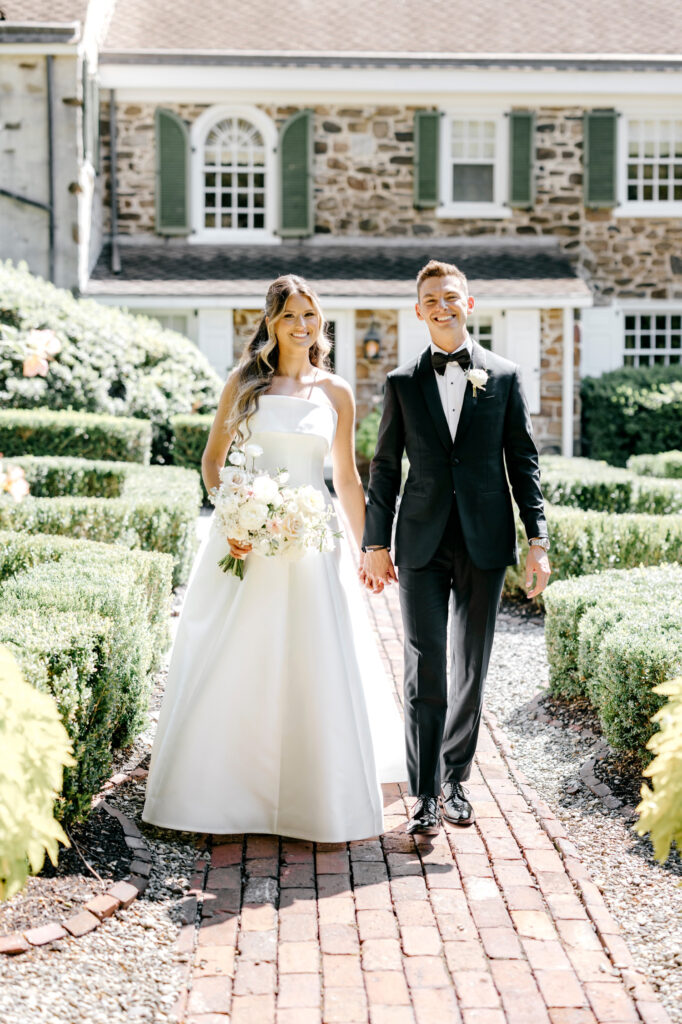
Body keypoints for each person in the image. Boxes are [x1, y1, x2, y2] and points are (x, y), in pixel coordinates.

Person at [143, 274, 406, 843]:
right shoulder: (243, 383)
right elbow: (213, 462)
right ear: (271, 322)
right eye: (290, 315)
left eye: (310, 315)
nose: (302, 325)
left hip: (312, 541)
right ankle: (225, 787)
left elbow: (346, 477)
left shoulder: (336, 391)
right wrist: (235, 517)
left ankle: (315, 793)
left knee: (314, 651)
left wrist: (372, 548)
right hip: (248, 539)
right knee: (240, 648)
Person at [361, 260, 551, 835]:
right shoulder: (401, 382)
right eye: (431, 300)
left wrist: (537, 539)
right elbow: (385, 467)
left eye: (450, 297)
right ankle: (424, 794)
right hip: (420, 541)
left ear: (468, 303)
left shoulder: (505, 376)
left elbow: (523, 461)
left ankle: (455, 780)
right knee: (424, 664)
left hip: (483, 540)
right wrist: (375, 541)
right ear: (418, 311)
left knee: (471, 664)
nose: (442, 307)